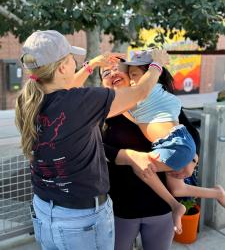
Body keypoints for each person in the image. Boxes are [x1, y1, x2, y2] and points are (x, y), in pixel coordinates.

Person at [15, 30, 169, 250]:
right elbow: (140, 93)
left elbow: (63, 89)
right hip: (81, 222)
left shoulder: (28, 99)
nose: (74, 64)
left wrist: (91, 65)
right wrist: (157, 65)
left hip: (44, 211)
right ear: (61, 68)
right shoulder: (81, 102)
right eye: (71, 60)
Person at [99, 62, 200, 250]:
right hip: (121, 207)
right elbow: (93, 146)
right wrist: (126, 155)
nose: (112, 73)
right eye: (105, 72)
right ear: (102, 83)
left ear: (131, 75)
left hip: (160, 207)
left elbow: (189, 131)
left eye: (117, 69)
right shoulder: (101, 111)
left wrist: (193, 159)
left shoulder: (153, 97)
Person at [122, 50, 225, 234]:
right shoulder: (155, 95)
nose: (130, 81)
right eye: (129, 76)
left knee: (141, 166)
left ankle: (175, 207)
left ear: (151, 74)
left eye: (135, 75)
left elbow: (122, 109)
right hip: (173, 143)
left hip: (174, 145)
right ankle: (216, 192)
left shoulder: (146, 92)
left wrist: (192, 160)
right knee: (177, 189)